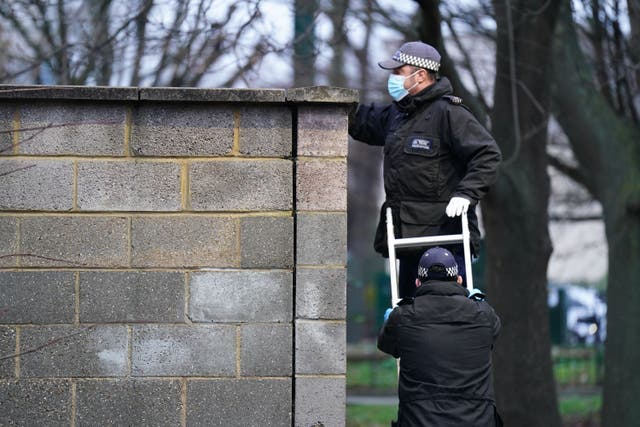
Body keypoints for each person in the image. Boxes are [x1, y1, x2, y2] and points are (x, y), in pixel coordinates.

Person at [349, 41, 502, 298]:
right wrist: (330, 106)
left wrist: (466, 193)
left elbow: (488, 154)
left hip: (445, 240)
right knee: (410, 318)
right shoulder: (399, 114)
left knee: (449, 313)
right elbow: (364, 121)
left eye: (399, 72)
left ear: (420, 75)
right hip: (408, 240)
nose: (393, 78)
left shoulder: (450, 113)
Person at [378, 246, 502, 427]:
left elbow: (385, 344)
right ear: (459, 280)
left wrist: (392, 321)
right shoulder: (484, 315)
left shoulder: (402, 317)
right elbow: (495, 332)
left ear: (418, 283)